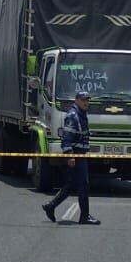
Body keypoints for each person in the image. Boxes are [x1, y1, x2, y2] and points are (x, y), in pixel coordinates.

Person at [43, 90, 98, 225]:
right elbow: (67, 138)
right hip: (76, 155)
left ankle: (50, 206)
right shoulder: (73, 116)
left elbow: (77, 133)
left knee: (71, 185)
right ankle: (84, 217)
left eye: (87, 100)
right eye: (83, 100)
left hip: (79, 154)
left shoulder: (81, 114)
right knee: (83, 185)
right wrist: (70, 156)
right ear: (77, 100)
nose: (86, 102)